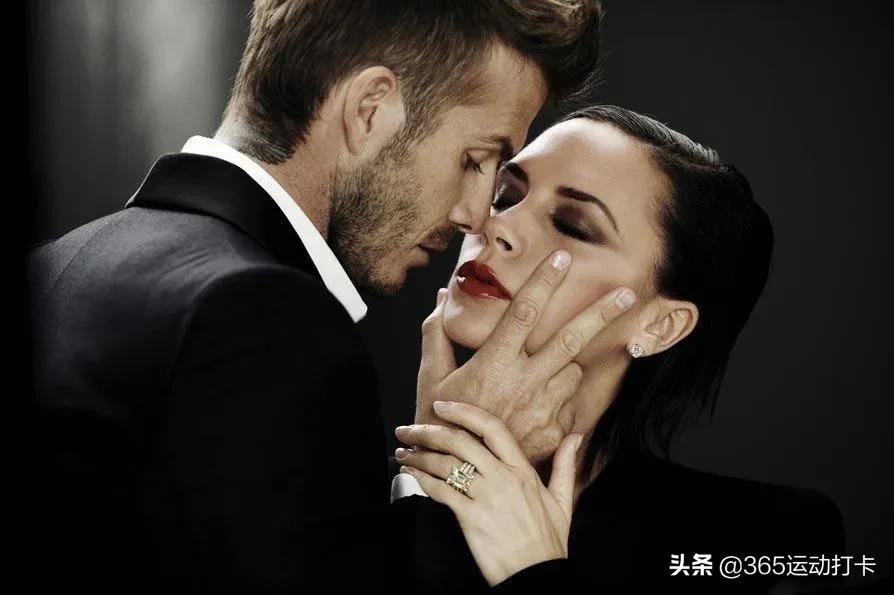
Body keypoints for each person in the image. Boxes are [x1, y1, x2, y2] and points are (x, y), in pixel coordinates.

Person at [26, 1, 605, 592]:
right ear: (370, 109)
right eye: (476, 159)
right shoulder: (264, 322)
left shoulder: (52, 266)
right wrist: (456, 467)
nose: (475, 216)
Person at [392, 106, 846, 594]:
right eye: (505, 196)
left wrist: (534, 573)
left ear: (660, 325)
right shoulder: (338, 463)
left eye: (573, 225)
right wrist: (431, 475)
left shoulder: (773, 541)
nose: (495, 225)